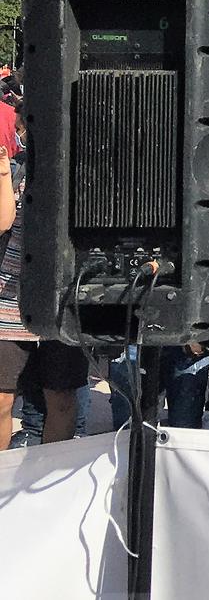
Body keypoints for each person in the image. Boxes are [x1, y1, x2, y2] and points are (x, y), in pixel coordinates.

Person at [0, 149, 90, 449]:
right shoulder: (20, 166)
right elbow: (2, 222)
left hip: (65, 297)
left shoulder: (86, 165)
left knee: (61, 397)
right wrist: (3, 174)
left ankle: (51, 479)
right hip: (11, 297)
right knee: (1, 398)